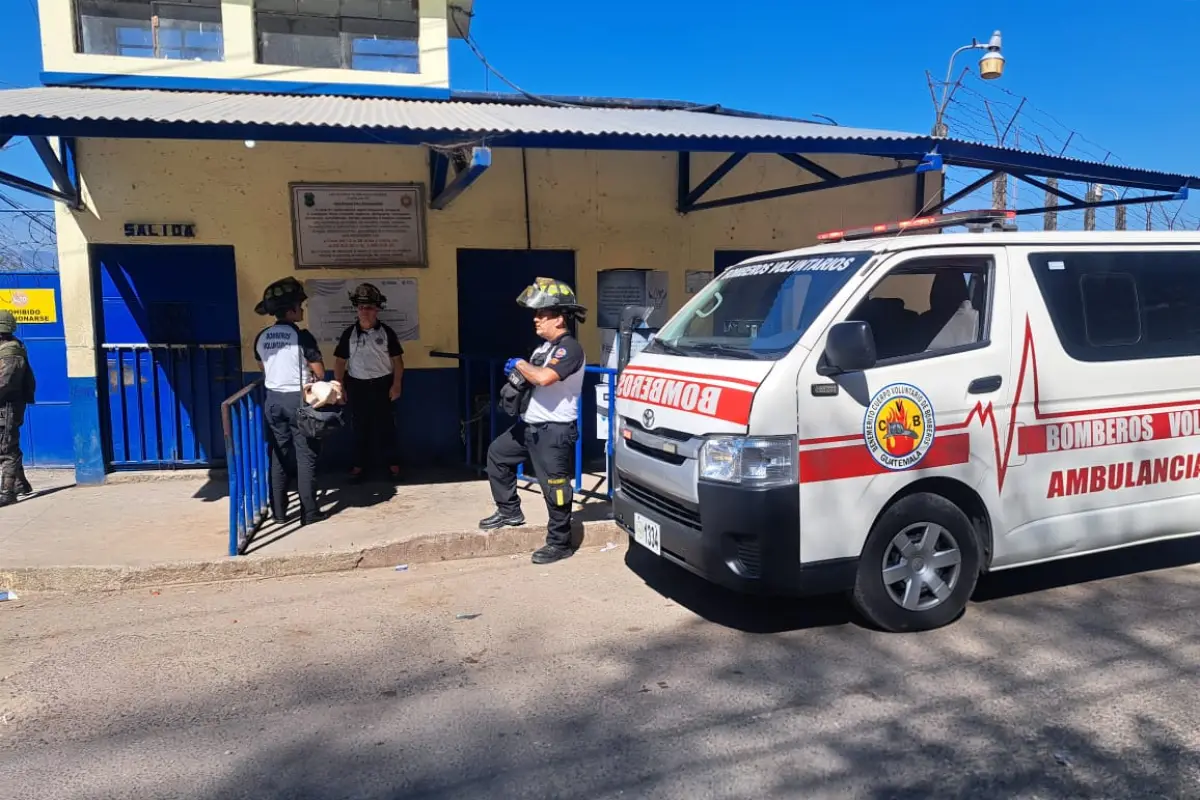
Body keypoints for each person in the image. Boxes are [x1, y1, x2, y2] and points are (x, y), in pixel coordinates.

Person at [480, 277, 587, 565]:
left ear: (560, 318)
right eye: (536, 314)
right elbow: (531, 378)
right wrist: (518, 375)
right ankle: (510, 511)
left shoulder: (570, 349)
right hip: (529, 426)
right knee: (497, 456)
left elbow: (543, 377)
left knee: (556, 489)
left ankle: (560, 542)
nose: (536, 320)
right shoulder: (543, 348)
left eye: (542, 314)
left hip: (554, 430)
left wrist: (518, 364)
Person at [253, 277, 328, 526]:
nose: (302, 309)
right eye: (299, 305)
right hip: (298, 400)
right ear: (290, 310)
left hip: (272, 400)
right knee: (306, 456)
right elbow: (319, 371)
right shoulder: (302, 337)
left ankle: (279, 513)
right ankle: (310, 512)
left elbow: (265, 369)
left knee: (279, 455)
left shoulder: (262, 337)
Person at [333, 283, 404, 483]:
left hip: (383, 385)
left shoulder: (387, 332)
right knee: (359, 427)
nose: (365, 311)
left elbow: (398, 362)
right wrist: (340, 386)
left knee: (387, 426)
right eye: (362, 307)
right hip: (357, 386)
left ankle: (393, 465)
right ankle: (358, 466)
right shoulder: (349, 334)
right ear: (357, 309)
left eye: (370, 307)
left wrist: (396, 384)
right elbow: (340, 362)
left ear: (377, 309)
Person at [0, 310, 35, 506]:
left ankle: (7, 493)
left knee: (6, 450)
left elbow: (4, 382)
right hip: (5, 407)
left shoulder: (11, 352)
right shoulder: (5, 348)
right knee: (9, 446)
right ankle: (21, 485)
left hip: (7, 408)